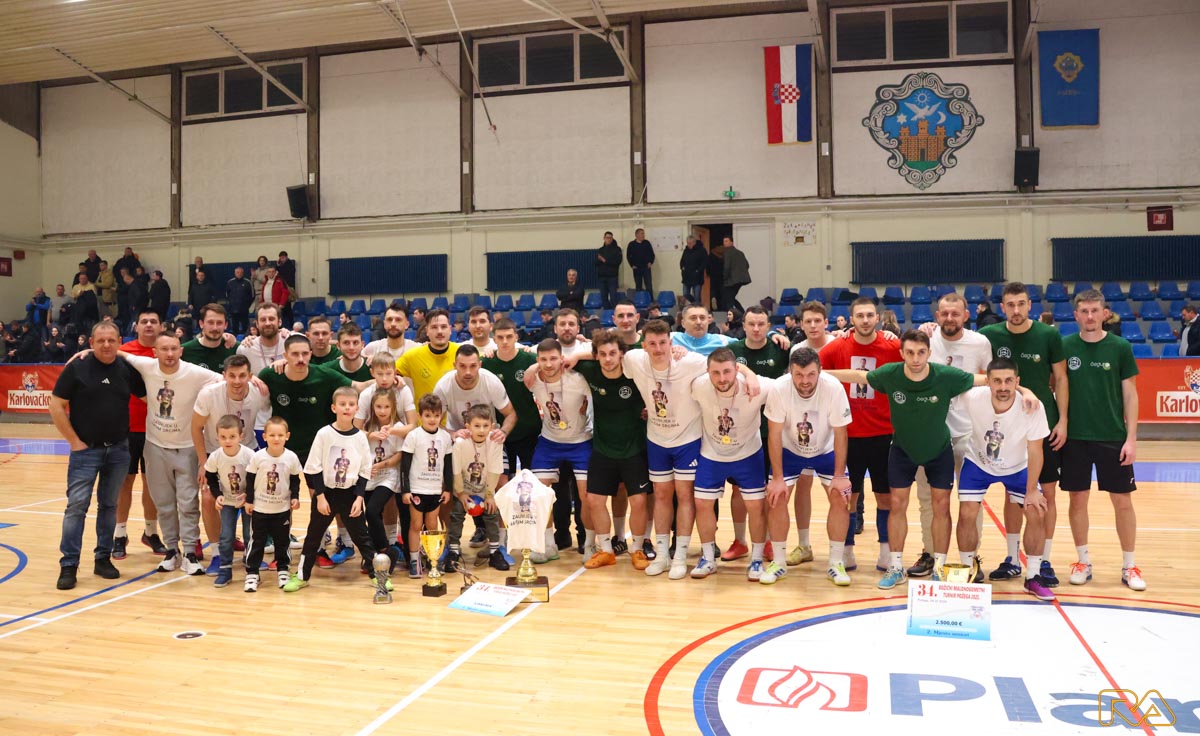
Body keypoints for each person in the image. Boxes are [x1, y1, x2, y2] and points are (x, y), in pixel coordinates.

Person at [827, 330, 1036, 589]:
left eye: (921, 352)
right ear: (902, 353)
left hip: (939, 451)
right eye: (910, 353)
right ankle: (895, 566)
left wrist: (1025, 390)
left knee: (941, 507)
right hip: (902, 450)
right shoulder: (890, 374)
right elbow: (858, 376)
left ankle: (939, 566)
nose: (915, 358)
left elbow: (989, 379)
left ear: (929, 353)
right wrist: (820, 373)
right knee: (897, 505)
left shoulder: (946, 375)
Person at [978, 282, 1068, 586]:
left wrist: (1063, 420)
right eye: (1010, 305)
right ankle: (1012, 559)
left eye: (1021, 304)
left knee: (1047, 493)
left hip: (1044, 426)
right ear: (1002, 307)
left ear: (1030, 305)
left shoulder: (1048, 335)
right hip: (1007, 430)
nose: (1016, 310)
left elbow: (1061, 378)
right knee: (1012, 493)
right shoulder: (990, 336)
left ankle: (1044, 560)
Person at [49, 322, 146, 590]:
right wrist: (74, 442)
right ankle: (69, 564)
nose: (106, 345)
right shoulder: (77, 367)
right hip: (86, 452)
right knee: (76, 507)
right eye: (101, 340)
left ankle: (103, 559)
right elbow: (56, 405)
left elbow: (150, 396)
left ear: (119, 342)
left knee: (109, 506)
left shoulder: (125, 368)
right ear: (91, 342)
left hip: (118, 450)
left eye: (111, 340)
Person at [118, 332, 222, 574]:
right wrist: (86, 351)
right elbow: (119, 353)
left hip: (187, 448)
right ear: (155, 352)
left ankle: (190, 553)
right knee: (164, 503)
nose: (170, 354)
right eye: (164, 349)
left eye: (174, 349)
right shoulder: (147, 366)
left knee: (188, 503)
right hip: (155, 448)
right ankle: (172, 551)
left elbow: (227, 378)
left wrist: (255, 381)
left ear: (181, 351)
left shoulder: (195, 373)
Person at [1061, 289, 1144, 591]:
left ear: (1104, 313)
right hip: (1075, 439)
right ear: (1076, 315)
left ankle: (1129, 565)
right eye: (1084, 311)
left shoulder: (1120, 347)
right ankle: (1083, 561)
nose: (1090, 316)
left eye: (1095, 310)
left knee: (1122, 501)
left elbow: (1130, 395)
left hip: (1113, 437)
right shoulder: (1065, 346)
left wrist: (1131, 439)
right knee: (1077, 499)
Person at [908, 293, 993, 580]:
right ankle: (931, 554)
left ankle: (970, 558)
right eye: (944, 313)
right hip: (930, 432)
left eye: (955, 313)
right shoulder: (926, 339)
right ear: (936, 315)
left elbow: (992, 380)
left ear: (966, 315)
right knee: (928, 499)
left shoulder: (980, 343)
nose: (949, 318)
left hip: (968, 431)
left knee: (971, 500)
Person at [956, 359, 1055, 601]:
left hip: (1017, 466)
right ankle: (967, 572)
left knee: (1036, 510)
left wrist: (1032, 491)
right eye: (997, 381)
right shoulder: (973, 397)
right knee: (967, 512)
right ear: (987, 382)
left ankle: (1033, 577)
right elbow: (945, 384)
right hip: (978, 462)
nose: (1003, 387)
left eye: (1009, 381)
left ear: (1017, 382)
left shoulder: (1032, 406)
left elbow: (1036, 451)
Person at [817, 297, 900, 574]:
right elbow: (814, 370)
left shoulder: (892, 346)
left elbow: (917, 362)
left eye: (869, 315)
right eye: (860, 316)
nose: (865, 320)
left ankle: (886, 552)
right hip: (848, 435)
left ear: (878, 318)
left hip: (883, 434)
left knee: (885, 497)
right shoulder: (838, 346)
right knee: (848, 497)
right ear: (851, 319)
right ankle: (847, 552)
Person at [764, 348, 852, 585]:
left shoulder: (833, 388)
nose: (805, 381)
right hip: (790, 450)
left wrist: (839, 476)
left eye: (811, 374)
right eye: (799, 375)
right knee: (776, 497)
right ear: (790, 372)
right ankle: (779, 563)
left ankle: (836, 563)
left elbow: (841, 433)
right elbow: (774, 434)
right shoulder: (779, 388)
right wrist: (777, 479)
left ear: (820, 371)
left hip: (826, 450)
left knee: (840, 496)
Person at [285, 387, 385, 592]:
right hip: (326, 494)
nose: (347, 408)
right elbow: (314, 467)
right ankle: (302, 575)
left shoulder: (360, 438)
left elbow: (365, 470)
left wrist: (359, 498)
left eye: (351, 404)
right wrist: (320, 497)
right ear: (334, 408)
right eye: (342, 404)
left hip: (350, 495)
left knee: (362, 537)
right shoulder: (324, 434)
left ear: (357, 408)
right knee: (313, 537)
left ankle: (378, 576)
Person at [568, 330, 650, 570]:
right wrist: (579, 355)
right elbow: (556, 361)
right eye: (602, 354)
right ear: (596, 356)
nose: (607, 359)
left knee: (639, 501)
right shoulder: (590, 370)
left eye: (613, 353)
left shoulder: (635, 372)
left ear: (622, 354)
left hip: (634, 448)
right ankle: (606, 550)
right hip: (603, 448)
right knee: (593, 500)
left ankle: (637, 549)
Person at [689, 348, 772, 580]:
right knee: (702, 503)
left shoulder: (756, 385)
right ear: (707, 372)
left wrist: (750, 374)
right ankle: (708, 558)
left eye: (727, 372)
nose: (722, 378)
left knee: (756, 506)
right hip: (712, 454)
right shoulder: (698, 385)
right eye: (715, 373)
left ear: (737, 369)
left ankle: (756, 559)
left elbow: (788, 387)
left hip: (748, 454)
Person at [723, 306, 788, 563]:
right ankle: (740, 541)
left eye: (762, 324)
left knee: (771, 490)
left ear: (768, 325)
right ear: (744, 325)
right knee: (739, 490)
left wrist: (782, 337)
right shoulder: (733, 350)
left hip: (773, 431)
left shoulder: (780, 348)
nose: (757, 329)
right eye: (751, 324)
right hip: (741, 432)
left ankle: (770, 541)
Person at [191, 355, 266, 575]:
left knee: (252, 500)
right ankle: (217, 554)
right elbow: (195, 428)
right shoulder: (209, 394)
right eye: (232, 376)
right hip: (214, 453)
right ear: (224, 376)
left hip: (247, 452)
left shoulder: (259, 393)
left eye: (242, 375)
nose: (237, 381)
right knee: (208, 498)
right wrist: (203, 463)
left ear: (250, 376)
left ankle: (251, 554)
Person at [527, 338, 594, 561]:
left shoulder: (578, 380)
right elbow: (525, 369)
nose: (548, 364)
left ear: (561, 358)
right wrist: (533, 367)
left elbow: (599, 353)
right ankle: (547, 544)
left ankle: (590, 544)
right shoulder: (533, 380)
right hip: (550, 441)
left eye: (553, 359)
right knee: (539, 493)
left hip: (580, 441)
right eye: (543, 359)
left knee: (587, 495)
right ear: (537, 360)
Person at [112, 309, 165, 560]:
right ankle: (119, 535)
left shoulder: (167, 351)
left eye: (154, 321)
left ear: (161, 326)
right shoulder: (124, 351)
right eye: (144, 321)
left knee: (152, 484)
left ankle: (151, 532)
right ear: (136, 326)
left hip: (158, 429)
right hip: (128, 428)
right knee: (125, 482)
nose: (149, 325)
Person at [241, 416, 303, 592]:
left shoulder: (291, 457)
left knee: (282, 541)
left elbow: (295, 480)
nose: (276, 438)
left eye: (280, 435)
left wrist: (295, 497)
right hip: (260, 509)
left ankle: (283, 570)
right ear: (265, 436)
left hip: (282, 509)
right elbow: (250, 480)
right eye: (272, 435)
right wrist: (249, 501)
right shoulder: (258, 457)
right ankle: (252, 573)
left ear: (287, 436)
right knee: (257, 541)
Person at [446, 404, 508, 571]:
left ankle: (494, 551)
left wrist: (489, 495)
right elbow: (456, 470)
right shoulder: (460, 443)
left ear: (492, 427)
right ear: (468, 427)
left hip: (485, 489)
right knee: (457, 513)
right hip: (464, 489)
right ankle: (454, 550)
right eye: (477, 426)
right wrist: (460, 493)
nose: (481, 430)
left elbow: (495, 470)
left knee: (491, 512)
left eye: (485, 426)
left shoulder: (495, 442)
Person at [400, 394, 456, 578]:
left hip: (435, 490)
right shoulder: (413, 436)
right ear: (419, 416)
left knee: (432, 525)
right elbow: (404, 466)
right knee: (416, 525)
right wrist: (406, 490)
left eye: (436, 415)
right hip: (417, 489)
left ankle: (433, 559)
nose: (432, 419)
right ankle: (414, 560)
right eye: (428, 415)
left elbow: (448, 466)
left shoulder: (445, 437)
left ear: (441, 416)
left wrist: (448, 489)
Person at [202, 415, 256, 588]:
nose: (227, 441)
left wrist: (248, 496)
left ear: (241, 436)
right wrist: (218, 495)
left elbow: (255, 478)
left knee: (249, 534)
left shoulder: (249, 455)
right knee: (226, 536)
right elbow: (211, 477)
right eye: (223, 437)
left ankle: (251, 567)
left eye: (232, 436)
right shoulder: (215, 457)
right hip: (227, 501)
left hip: (247, 502)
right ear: (217, 437)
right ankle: (225, 569)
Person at [359, 387, 408, 574]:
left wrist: (382, 465)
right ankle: (376, 558)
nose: (382, 410)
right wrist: (369, 435)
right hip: (369, 475)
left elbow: (400, 455)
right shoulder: (368, 426)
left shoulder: (398, 426)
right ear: (373, 406)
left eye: (386, 406)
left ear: (393, 407)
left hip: (388, 474)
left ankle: (386, 550)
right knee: (372, 517)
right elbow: (355, 436)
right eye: (378, 406)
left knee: (372, 511)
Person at [395, 308, 459, 401]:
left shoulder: (461, 353)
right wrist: (396, 378)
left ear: (450, 329)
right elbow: (388, 373)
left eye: (443, 327)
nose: (439, 331)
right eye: (434, 327)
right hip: (422, 411)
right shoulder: (413, 356)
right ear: (427, 331)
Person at [181, 304, 238, 372]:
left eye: (219, 323)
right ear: (201, 324)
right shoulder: (184, 351)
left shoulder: (235, 349)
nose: (215, 328)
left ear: (226, 325)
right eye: (210, 322)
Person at [721, 237, 751, 313]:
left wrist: (725, 277)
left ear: (731, 242)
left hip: (731, 280)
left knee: (728, 298)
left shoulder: (727, 253)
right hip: (741, 279)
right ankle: (741, 312)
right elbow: (747, 265)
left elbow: (727, 267)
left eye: (726, 241)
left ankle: (735, 314)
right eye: (724, 241)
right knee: (731, 297)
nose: (724, 243)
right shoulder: (740, 253)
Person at [596, 231, 623, 310]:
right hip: (602, 277)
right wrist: (599, 260)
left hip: (612, 277)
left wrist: (604, 260)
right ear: (604, 238)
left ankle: (614, 312)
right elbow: (596, 262)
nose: (609, 239)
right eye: (607, 238)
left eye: (610, 238)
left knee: (613, 297)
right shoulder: (600, 250)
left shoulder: (617, 249)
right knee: (603, 297)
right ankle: (606, 313)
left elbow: (617, 262)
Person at [224, 267, 253, 336]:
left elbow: (252, 295)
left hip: (244, 309)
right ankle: (234, 338)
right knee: (234, 326)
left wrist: (247, 305)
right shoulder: (230, 282)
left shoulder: (248, 282)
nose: (239, 274)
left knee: (245, 326)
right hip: (233, 308)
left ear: (243, 273)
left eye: (241, 272)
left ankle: (246, 337)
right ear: (235, 273)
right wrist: (232, 303)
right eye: (237, 272)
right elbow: (227, 294)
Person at [679, 235, 707, 305]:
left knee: (697, 297)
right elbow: (682, 261)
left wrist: (698, 271)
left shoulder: (701, 250)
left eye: (690, 243)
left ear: (694, 242)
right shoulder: (686, 250)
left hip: (697, 278)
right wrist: (682, 268)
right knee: (685, 296)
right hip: (686, 277)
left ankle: (697, 308)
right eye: (687, 243)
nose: (688, 245)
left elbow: (705, 262)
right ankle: (687, 309)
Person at [627, 228, 655, 295]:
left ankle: (650, 299)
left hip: (646, 267)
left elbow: (652, 254)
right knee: (638, 285)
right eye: (642, 233)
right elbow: (628, 256)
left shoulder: (647, 243)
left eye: (643, 233)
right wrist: (632, 265)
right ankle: (639, 300)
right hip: (636, 268)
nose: (643, 235)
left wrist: (650, 262)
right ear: (636, 235)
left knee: (649, 285)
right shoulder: (631, 244)